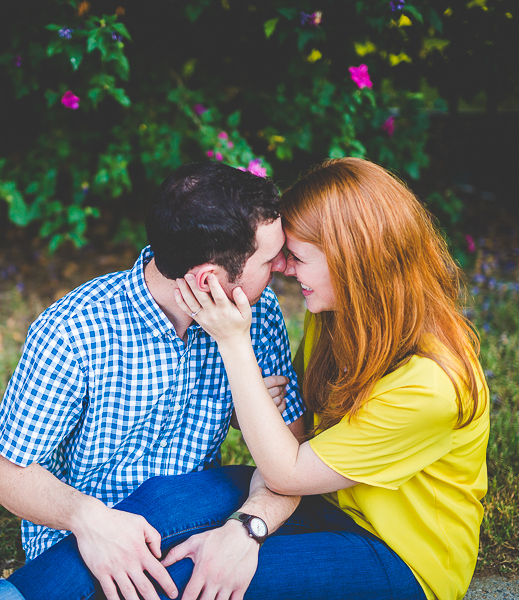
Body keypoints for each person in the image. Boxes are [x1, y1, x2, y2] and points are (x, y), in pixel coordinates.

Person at [0, 161, 308, 600]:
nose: (284, 266)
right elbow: (0, 472)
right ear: (207, 279)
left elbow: (291, 462)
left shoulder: (258, 314)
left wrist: (245, 530)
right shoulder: (76, 330)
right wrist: (89, 519)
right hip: (86, 541)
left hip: (194, 522)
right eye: (270, 259)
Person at [171, 157, 490, 600]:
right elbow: (291, 439)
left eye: (297, 256)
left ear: (351, 262)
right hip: (325, 501)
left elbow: (287, 470)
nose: (283, 267)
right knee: (164, 507)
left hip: (399, 557)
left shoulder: (429, 384)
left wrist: (234, 342)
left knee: (193, 583)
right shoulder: (337, 315)